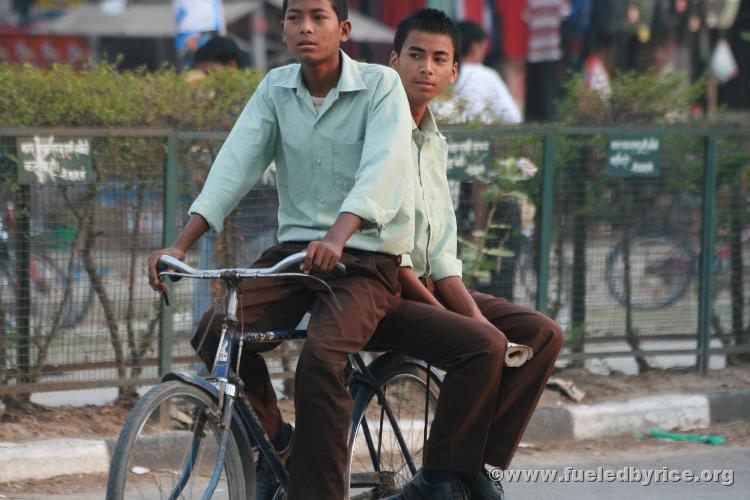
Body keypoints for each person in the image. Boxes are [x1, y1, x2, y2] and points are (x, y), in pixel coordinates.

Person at [147, 0, 416, 498]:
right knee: (214, 332)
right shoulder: (275, 87)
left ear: (345, 29)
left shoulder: (381, 85)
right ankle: (278, 440)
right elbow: (235, 164)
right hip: (296, 256)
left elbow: (383, 167)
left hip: (364, 257)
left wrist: (337, 236)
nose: (306, 28)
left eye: (319, 17)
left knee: (320, 359)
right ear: (282, 28)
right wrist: (181, 245)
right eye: (295, 18)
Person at [379, 9, 563, 499]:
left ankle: (476, 465)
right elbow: (389, 253)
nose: (426, 68)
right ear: (392, 60)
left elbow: (442, 256)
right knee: (481, 341)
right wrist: (465, 322)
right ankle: (437, 479)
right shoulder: (377, 133)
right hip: (382, 289)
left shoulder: (436, 142)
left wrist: (473, 315)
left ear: (454, 71)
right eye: (415, 55)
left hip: (428, 285)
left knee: (540, 334)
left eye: (440, 59)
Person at [438, 20, 522, 125]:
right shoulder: (487, 75)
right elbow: (512, 117)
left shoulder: (440, 72)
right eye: (484, 47)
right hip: (483, 137)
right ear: (476, 47)